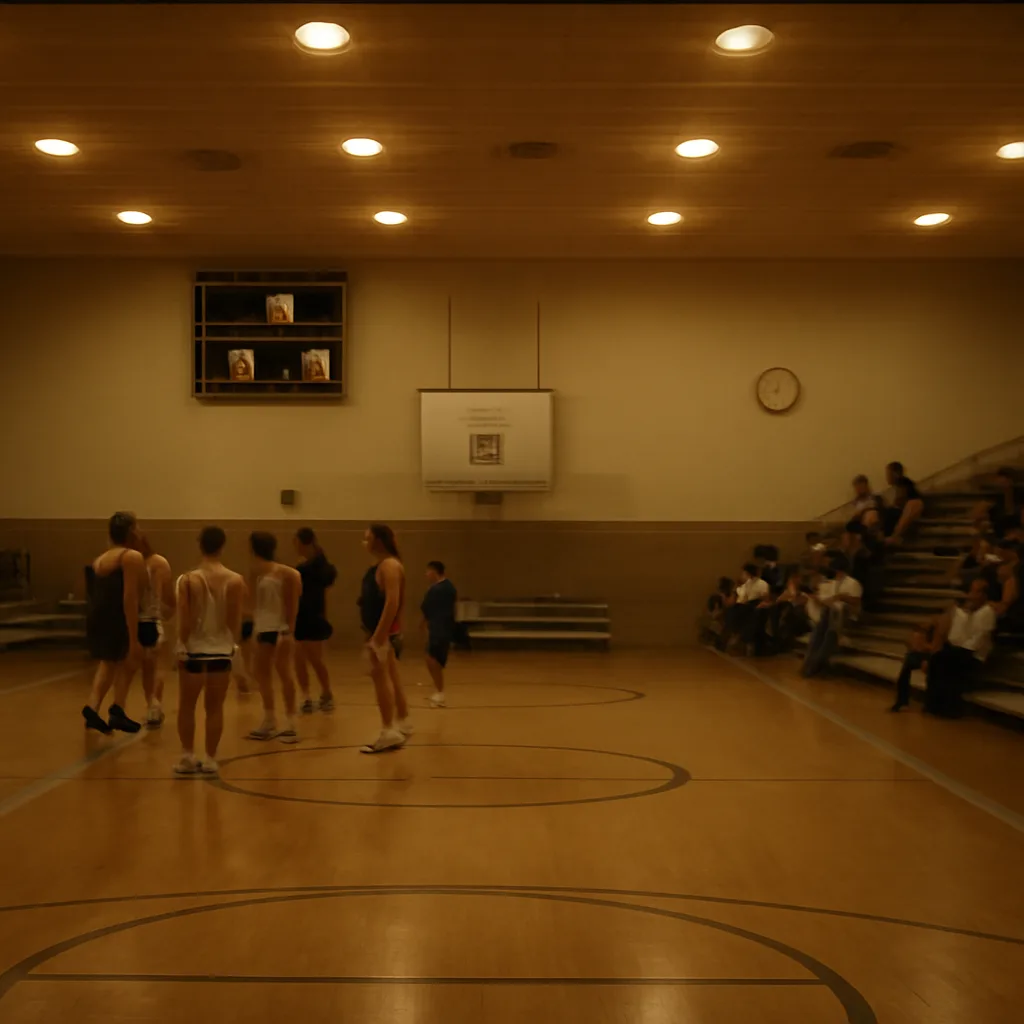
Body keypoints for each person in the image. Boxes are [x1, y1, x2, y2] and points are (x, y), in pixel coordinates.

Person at [173, 526, 244, 775]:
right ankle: (211, 758)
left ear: (199, 545)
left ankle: (187, 756)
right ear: (222, 546)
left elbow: (184, 619)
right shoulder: (235, 580)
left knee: (187, 705)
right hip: (221, 653)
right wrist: (233, 647)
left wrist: (181, 646)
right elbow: (234, 620)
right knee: (215, 708)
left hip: (193, 651)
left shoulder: (187, 579)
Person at [82, 512, 147, 734]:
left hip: (97, 617)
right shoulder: (131, 557)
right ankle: (117, 709)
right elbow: (130, 597)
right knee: (130, 661)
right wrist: (133, 635)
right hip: (117, 617)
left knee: (108, 663)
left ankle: (93, 707)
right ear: (131, 532)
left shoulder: (100, 559)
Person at [359, 523, 412, 752]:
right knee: (391, 676)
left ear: (378, 541)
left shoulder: (389, 566)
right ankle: (402, 722)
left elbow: (393, 602)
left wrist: (379, 637)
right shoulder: (387, 565)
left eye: (367, 538)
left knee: (381, 679)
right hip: (383, 633)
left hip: (382, 634)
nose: (364, 542)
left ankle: (388, 729)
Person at [246, 532, 302, 743]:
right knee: (261, 674)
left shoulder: (287, 573)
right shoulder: (255, 572)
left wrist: (288, 632)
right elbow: (255, 604)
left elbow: (292, 605)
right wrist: (253, 630)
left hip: (280, 628)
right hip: (262, 628)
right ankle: (269, 719)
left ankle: (291, 723)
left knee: (284, 672)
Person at [919, 579, 997, 717]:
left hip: (973, 655)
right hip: (961, 650)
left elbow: (978, 639)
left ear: (984, 595)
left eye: (975, 592)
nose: (971, 595)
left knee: (945, 662)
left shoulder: (987, 612)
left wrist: (959, 650)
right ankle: (933, 703)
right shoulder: (970, 612)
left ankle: (948, 707)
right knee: (937, 659)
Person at [293, 527, 337, 713]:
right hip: (298, 616)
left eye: (296, 542)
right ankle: (306, 696)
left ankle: (326, 693)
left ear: (306, 542)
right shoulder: (301, 567)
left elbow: (326, 583)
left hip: (314, 616)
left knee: (315, 659)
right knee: (298, 658)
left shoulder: (320, 567)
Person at [801, 554, 863, 677]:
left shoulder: (853, 583)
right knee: (817, 635)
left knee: (830, 632)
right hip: (830, 615)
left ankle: (814, 665)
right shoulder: (832, 583)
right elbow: (826, 601)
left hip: (846, 616)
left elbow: (856, 603)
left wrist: (841, 597)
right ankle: (809, 663)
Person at [136, 533, 174, 728]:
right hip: (149, 620)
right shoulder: (156, 562)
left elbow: (168, 597)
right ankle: (153, 705)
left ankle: (153, 704)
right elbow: (170, 598)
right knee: (153, 666)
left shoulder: (151, 563)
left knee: (150, 667)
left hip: (145, 620)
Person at [421, 560, 458, 707]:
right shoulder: (449, 587)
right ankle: (437, 689)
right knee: (434, 659)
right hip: (442, 628)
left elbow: (427, 609)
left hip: (439, 628)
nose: (426, 575)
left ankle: (440, 692)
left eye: (427, 571)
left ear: (434, 572)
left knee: (432, 659)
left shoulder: (436, 590)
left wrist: (423, 623)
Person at [722, 563, 770, 655]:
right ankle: (736, 636)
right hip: (744, 607)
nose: (742, 575)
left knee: (743, 613)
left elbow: (765, 599)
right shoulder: (745, 585)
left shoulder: (762, 584)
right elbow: (739, 599)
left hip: (755, 606)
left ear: (748, 573)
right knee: (731, 611)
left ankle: (738, 637)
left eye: (743, 573)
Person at [879, 461, 925, 545]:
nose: (887, 477)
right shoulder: (899, 485)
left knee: (890, 513)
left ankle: (894, 536)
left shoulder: (902, 482)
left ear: (895, 473)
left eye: (888, 474)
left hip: (911, 508)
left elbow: (901, 500)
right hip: (907, 508)